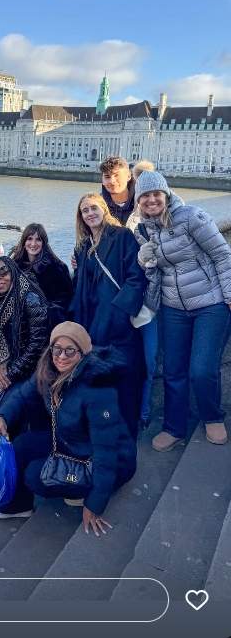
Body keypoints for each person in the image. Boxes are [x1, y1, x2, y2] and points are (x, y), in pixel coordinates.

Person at [0, 322, 136, 534]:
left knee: (34, 475)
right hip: (69, 441)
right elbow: (22, 394)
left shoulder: (98, 391)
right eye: (57, 349)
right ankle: (18, 506)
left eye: (70, 350)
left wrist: (94, 505)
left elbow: (107, 453)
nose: (61, 356)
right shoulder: (50, 370)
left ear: (83, 353)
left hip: (101, 460)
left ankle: (80, 491)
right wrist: (3, 416)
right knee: (20, 445)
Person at [134, 170, 231, 450]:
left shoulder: (191, 216)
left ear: (166, 195)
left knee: (201, 369)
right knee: (174, 370)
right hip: (174, 307)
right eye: (145, 196)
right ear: (139, 201)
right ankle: (174, 427)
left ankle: (212, 417)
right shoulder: (143, 230)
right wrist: (147, 264)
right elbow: (156, 276)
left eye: (156, 194)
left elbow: (222, 255)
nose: (152, 200)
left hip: (210, 303)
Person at [70, 194, 147, 438]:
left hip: (117, 321)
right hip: (92, 321)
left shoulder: (122, 236)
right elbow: (82, 284)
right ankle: (103, 428)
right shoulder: (83, 246)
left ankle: (127, 430)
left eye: (94, 208)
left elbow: (136, 277)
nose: (90, 213)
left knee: (124, 378)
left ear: (104, 209)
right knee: (99, 378)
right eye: (84, 211)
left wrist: (120, 311)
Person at [0, 256, 49, 396]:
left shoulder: (30, 299)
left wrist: (10, 373)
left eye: (3, 272)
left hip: (29, 371)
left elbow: (36, 345)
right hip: (4, 367)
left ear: (13, 273)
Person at [125, 160, 159, 428]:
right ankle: (129, 411)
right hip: (134, 304)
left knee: (149, 363)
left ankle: (144, 413)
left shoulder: (169, 215)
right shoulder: (132, 221)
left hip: (155, 307)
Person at [10, 223, 73, 326]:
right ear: (24, 242)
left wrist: (44, 311)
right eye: (29, 239)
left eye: (38, 239)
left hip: (48, 320)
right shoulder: (15, 266)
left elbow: (65, 298)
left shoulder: (57, 267)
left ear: (43, 243)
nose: (33, 244)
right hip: (20, 318)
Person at [100, 156, 136, 226]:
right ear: (102, 179)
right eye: (107, 176)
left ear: (128, 176)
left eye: (117, 175)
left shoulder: (141, 204)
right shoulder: (97, 205)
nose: (112, 181)